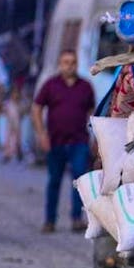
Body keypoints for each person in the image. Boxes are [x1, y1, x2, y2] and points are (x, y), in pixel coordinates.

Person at [32, 49, 94, 233]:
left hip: (79, 141)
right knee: (54, 181)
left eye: (72, 62)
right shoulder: (50, 85)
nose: (69, 65)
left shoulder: (85, 86)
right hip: (56, 141)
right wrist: (41, 134)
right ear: (60, 64)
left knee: (79, 180)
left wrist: (95, 137)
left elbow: (92, 112)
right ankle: (50, 220)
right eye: (66, 62)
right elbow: (36, 108)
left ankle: (77, 218)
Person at [1, 84, 25, 163]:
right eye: (14, 93)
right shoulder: (8, 104)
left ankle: (19, 153)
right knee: (8, 139)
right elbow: (3, 111)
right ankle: (7, 154)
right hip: (9, 125)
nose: (15, 95)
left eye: (17, 93)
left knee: (18, 139)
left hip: (17, 125)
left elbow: (23, 113)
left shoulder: (20, 104)